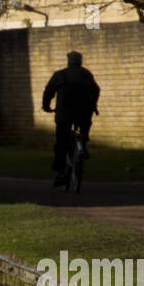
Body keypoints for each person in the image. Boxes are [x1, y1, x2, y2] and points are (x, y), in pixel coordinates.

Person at [42, 51, 100, 187]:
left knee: (61, 142)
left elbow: (48, 91)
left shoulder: (60, 75)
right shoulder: (86, 74)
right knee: (84, 128)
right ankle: (83, 146)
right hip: (83, 113)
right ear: (80, 61)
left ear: (68, 61)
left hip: (64, 114)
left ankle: (60, 173)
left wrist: (46, 106)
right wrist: (93, 105)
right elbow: (96, 90)